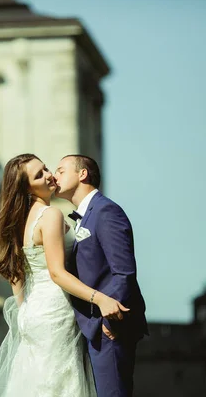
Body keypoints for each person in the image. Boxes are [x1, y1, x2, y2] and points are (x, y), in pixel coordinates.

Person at [0, 153, 128, 397]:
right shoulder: (50, 215)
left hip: (32, 310)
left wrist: (24, 309)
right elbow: (57, 274)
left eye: (46, 168)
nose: (49, 175)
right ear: (27, 188)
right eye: (39, 175)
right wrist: (99, 298)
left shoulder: (20, 221)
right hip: (54, 309)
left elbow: (16, 275)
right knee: (59, 384)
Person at [54, 154, 149, 397]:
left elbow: (124, 272)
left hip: (110, 327)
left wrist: (110, 319)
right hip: (92, 326)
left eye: (61, 170)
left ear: (82, 174)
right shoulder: (86, 214)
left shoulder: (106, 211)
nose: (55, 176)